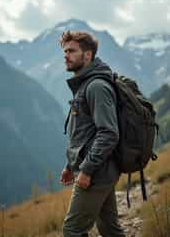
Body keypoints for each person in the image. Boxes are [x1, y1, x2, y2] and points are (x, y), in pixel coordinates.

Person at [59, 31, 125, 237]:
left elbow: (108, 133)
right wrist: (71, 165)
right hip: (99, 168)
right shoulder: (85, 84)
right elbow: (83, 133)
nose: (66, 55)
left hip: (97, 172)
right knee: (110, 229)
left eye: (71, 51)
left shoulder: (96, 86)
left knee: (72, 231)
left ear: (87, 55)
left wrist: (86, 170)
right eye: (64, 51)